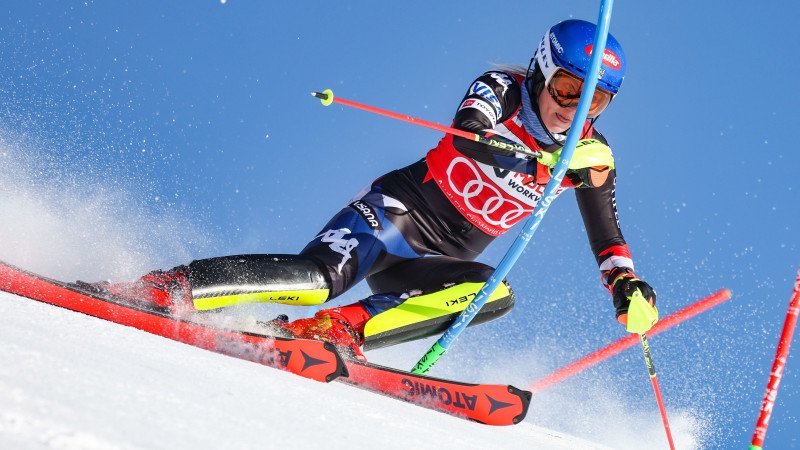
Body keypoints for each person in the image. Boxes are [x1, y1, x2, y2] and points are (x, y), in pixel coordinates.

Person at [89, 19, 657, 361]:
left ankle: (334, 333)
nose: (569, 105)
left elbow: (608, 239)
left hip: (440, 262)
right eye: (564, 85)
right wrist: (542, 162)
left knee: (494, 294)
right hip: (394, 216)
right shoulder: (502, 89)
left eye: (593, 98)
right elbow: (469, 136)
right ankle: (170, 287)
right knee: (315, 280)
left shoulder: (592, 156)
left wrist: (627, 288)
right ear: (541, 69)